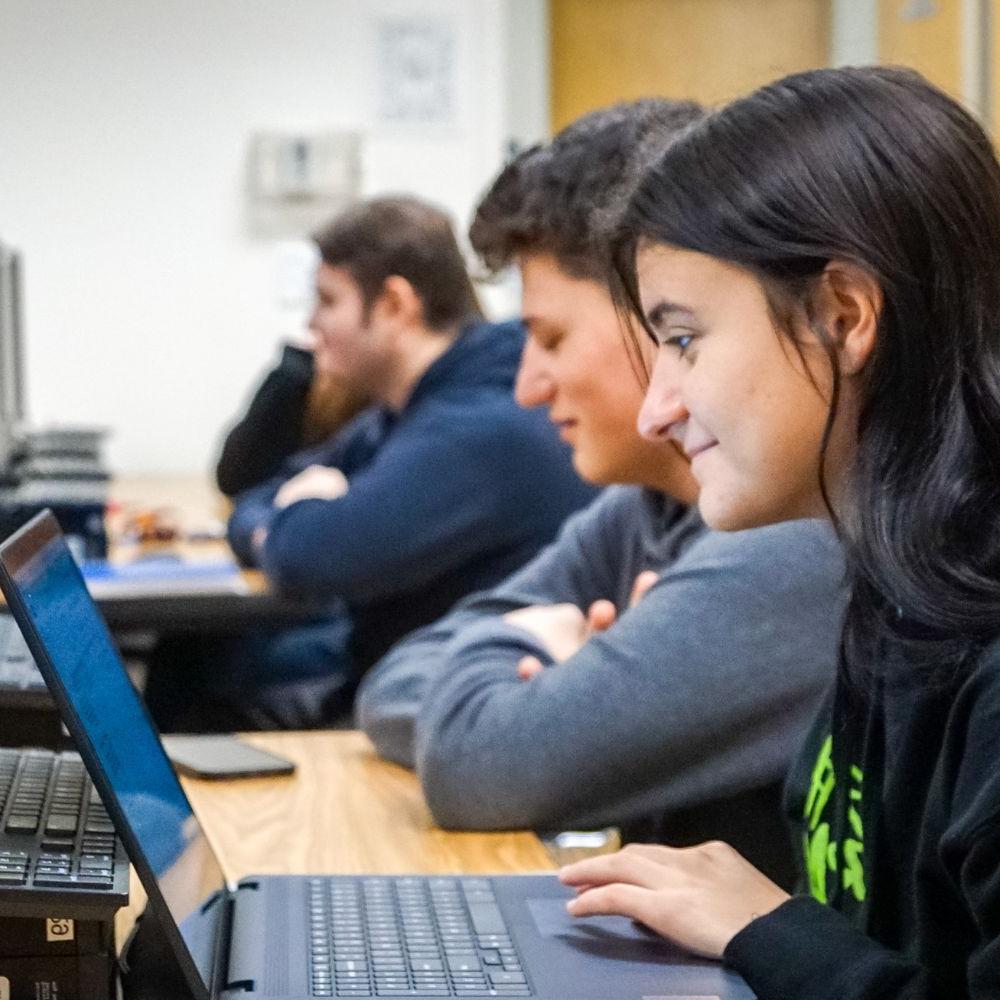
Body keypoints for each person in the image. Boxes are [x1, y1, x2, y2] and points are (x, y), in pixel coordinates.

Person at [557, 67, 1000, 998]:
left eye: (683, 340)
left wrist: (771, 933)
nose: (655, 413)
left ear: (843, 315)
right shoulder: (898, 578)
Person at [356, 101, 845, 886]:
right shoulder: (647, 506)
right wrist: (562, 680)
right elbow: (397, 683)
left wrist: (543, 694)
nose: (525, 386)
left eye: (550, 339)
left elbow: (475, 762)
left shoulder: (802, 538)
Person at [146, 195, 595, 732]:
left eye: (327, 301)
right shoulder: (414, 402)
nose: (311, 324)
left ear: (393, 305)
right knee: (195, 655)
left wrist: (291, 520)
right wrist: (292, 512)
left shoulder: (475, 426)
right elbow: (260, 494)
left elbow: (306, 554)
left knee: (199, 686)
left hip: (442, 706)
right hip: (398, 674)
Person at [214, 333, 368, 498]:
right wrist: (294, 371)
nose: (313, 322)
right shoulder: (300, 379)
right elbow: (233, 479)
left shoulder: (379, 413)